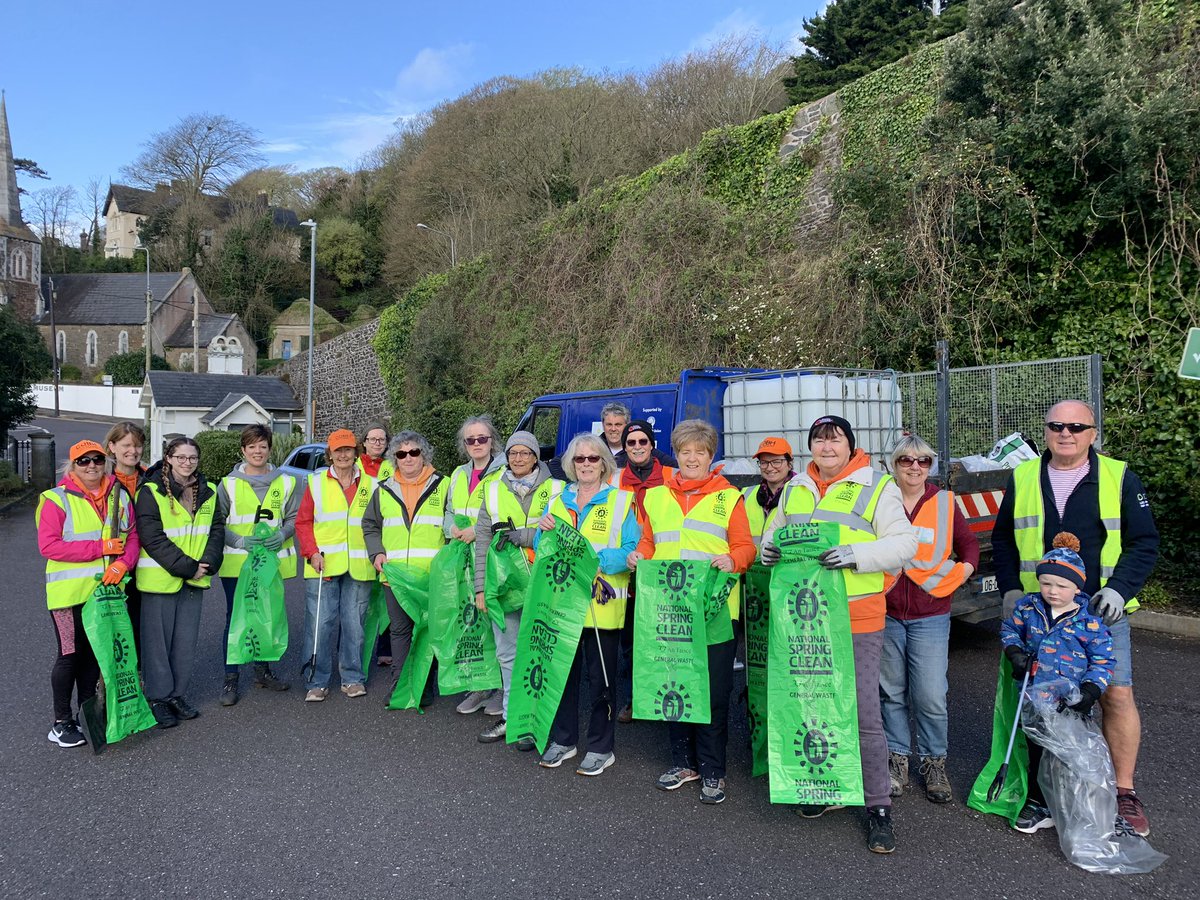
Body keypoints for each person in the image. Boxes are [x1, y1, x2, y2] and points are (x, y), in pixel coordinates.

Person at [991, 399, 1159, 836]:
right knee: (1041, 700)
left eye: (1076, 427)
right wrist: (1010, 587)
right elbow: (1004, 540)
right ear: (1045, 431)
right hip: (1039, 612)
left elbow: (1145, 542)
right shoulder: (1023, 476)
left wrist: (1119, 591)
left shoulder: (1120, 476)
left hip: (1100, 613)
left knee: (1114, 696)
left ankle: (1123, 792)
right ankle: (1042, 796)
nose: (1066, 433)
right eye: (1057, 426)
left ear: (1093, 433)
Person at [762, 415, 918, 853]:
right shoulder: (796, 487)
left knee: (864, 714)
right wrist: (767, 548)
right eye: (818, 439)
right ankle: (825, 788)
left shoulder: (878, 484)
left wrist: (855, 554)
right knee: (810, 704)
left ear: (851, 445)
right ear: (809, 446)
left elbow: (905, 543)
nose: (826, 447)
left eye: (835, 440)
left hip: (856, 615)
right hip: (805, 619)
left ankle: (877, 806)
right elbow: (773, 533)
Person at [627, 419, 756, 805]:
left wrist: (733, 560)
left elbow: (746, 548)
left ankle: (714, 770)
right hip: (668, 611)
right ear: (677, 455)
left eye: (700, 452)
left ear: (710, 456)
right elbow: (649, 542)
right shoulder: (656, 497)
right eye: (685, 452)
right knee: (675, 686)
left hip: (715, 610)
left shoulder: (729, 497)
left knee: (714, 691)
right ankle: (684, 762)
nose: (692, 458)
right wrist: (639, 556)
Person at [880, 434, 979, 804]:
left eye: (923, 461)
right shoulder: (881, 498)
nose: (915, 467)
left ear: (931, 466)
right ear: (895, 464)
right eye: (906, 460)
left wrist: (962, 571)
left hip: (930, 612)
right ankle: (897, 760)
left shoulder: (943, 502)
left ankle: (934, 762)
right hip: (886, 609)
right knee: (891, 692)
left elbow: (968, 544)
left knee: (930, 695)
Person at [536, 434, 639, 775]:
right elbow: (543, 546)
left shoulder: (623, 501)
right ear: (570, 464)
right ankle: (564, 740)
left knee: (601, 681)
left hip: (602, 606)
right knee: (562, 676)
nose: (585, 465)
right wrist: (542, 530)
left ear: (604, 463)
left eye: (592, 459)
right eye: (579, 460)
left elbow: (631, 551)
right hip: (562, 604)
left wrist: (596, 561)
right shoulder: (558, 498)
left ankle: (600, 746)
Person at [1000, 533, 1114, 833]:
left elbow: (1103, 660)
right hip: (1034, 697)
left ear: (1078, 587)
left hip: (1070, 704)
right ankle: (1039, 803)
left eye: (1062, 585)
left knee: (1067, 754)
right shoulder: (1028, 608)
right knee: (1037, 749)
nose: (1052, 591)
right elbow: (1010, 629)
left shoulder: (1089, 620)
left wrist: (1091, 690)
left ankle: (1072, 805)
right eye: (1046, 583)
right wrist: (1014, 652)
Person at [37, 440, 141, 747]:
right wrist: (100, 548)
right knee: (70, 655)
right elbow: (49, 545)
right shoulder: (55, 500)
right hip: (68, 596)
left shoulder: (119, 496)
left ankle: (87, 714)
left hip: (106, 592)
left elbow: (132, 536)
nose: (92, 465)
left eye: (97, 459)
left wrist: (124, 564)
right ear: (72, 467)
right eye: (83, 461)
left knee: (96, 655)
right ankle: (60, 722)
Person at [472, 431, 564, 745]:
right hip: (505, 585)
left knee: (541, 655)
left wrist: (523, 536)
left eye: (526, 453)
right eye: (514, 453)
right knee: (508, 654)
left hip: (544, 583)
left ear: (536, 456)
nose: (519, 458)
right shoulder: (493, 489)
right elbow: (482, 540)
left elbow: (562, 531)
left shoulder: (555, 489)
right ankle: (513, 719)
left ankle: (539, 721)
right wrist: (480, 588)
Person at [135, 436, 225, 728]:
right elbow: (152, 537)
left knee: (185, 643)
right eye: (181, 457)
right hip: (161, 580)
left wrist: (209, 562)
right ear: (169, 459)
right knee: (157, 644)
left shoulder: (209, 491)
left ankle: (176, 694)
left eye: (193, 458)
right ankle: (158, 698)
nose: (187, 463)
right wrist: (188, 567)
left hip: (194, 579)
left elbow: (216, 530)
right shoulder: (151, 491)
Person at [215, 424, 300, 706]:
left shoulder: (286, 482)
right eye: (251, 446)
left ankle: (263, 671)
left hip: (271, 564)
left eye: (262, 446)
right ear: (243, 450)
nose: (257, 451)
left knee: (268, 613)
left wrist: (282, 534)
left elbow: (293, 518)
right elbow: (216, 522)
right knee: (236, 618)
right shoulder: (227, 484)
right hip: (238, 564)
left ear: (269, 448)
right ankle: (231, 679)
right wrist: (239, 541)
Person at [361, 431, 447, 704]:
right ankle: (401, 685)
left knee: (429, 629)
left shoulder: (444, 486)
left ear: (424, 455)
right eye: (401, 454)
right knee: (399, 631)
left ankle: (424, 686)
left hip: (430, 576)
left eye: (413, 453)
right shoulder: (383, 488)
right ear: (394, 458)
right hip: (395, 576)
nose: (407, 458)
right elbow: (370, 525)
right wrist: (376, 552)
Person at [295, 429, 376, 702]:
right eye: (338, 450)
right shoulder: (316, 483)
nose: (343, 455)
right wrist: (311, 552)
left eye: (348, 449)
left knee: (355, 625)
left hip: (359, 566)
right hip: (323, 565)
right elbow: (303, 522)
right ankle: (316, 681)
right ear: (329, 454)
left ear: (356, 453)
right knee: (320, 625)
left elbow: (378, 524)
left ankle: (352, 678)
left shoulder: (372, 484)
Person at [612, 420, 676, 722]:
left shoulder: (671, 475)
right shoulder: (614, 479)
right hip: (627, 567)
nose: (637, 447)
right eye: (631, 443)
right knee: (631, 639)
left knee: (664, 635)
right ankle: (637, 697)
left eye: (642, 441)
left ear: (652, 445)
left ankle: (666, 695)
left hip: (662, 566)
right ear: (624, 448)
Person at [445, 415, 505, 717]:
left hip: (491, 556)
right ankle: (479, 685)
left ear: (492, 440)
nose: (477, 444)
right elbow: (450, 511)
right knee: (471, 623)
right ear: (464, 444)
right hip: (463, 558)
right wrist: (452, 530)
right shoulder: (457, 474)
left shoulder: (505, 472)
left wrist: (478, 533)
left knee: (495, 622)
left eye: (482, 438)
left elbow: (510, 515)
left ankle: (499, 688)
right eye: (471, 440)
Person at [104, 422, 147, 658]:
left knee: (139, 624)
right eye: (126, 445)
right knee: (111, 625)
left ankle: (136, 675)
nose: (133, 450)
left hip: (146, 564)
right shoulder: (100, 479)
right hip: (112, 564)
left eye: (138, 446)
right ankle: (107, 681)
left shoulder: (151, 479)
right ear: (112, 446)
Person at [356, 422, 393, 666]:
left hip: (387, 537)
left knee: (388, 601)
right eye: (373, 439)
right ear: (364, 442)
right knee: (360, 602)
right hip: (359, 542)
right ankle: (355, 651)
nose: (377, 443)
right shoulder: (353, 465)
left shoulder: (393, 465)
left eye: (381, 439)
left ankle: (385, 649)